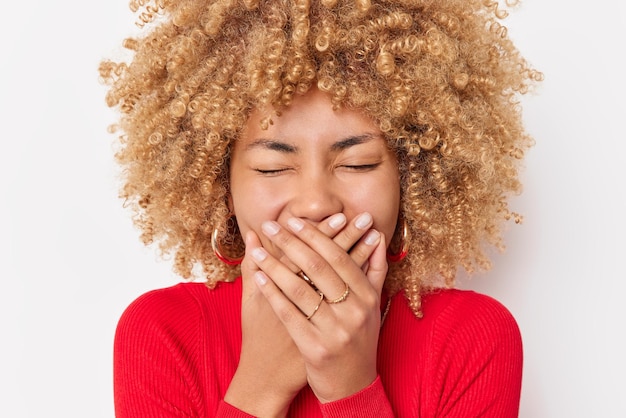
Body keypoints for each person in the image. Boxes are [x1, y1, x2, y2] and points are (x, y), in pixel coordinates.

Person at [99, 0, 542, 416]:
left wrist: (349, 386)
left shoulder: (473, 337)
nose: (315, 203)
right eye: (272, 167)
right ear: (222, 188)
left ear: (413, 179)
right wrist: (260, 384)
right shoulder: (162, 332)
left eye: (358, 163)